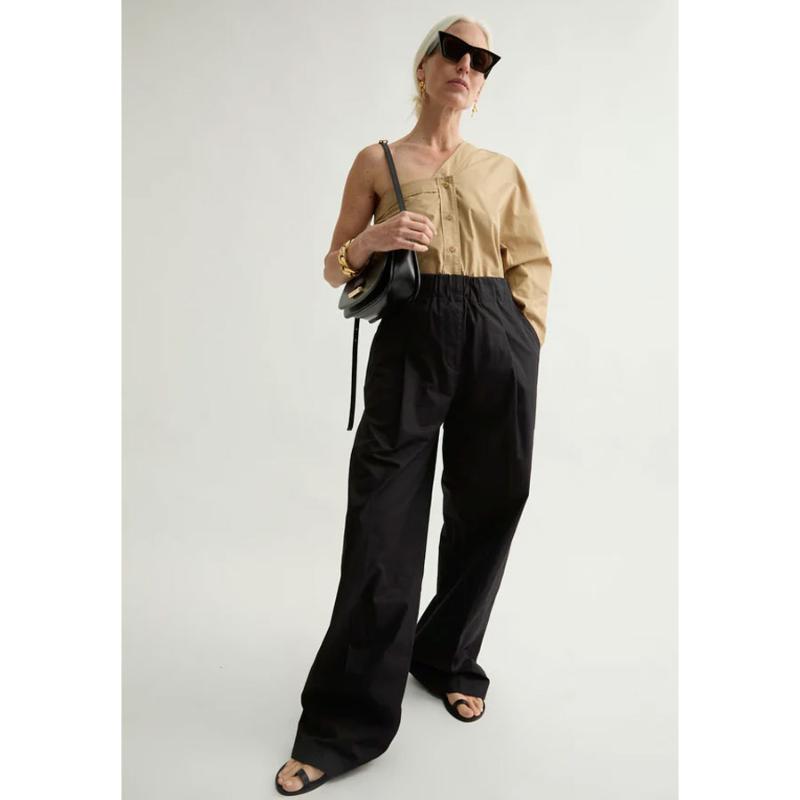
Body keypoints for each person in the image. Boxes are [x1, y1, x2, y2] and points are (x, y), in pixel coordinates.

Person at [276, 14, 552, 796]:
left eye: (483, 59)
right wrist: (373, 240)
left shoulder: (502, 170)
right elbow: (334, 266)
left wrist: (524, 336)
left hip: (496, 336)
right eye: (454, 51)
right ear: (424, 67)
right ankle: (342, 724)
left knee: (493, 502)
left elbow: (531, 261)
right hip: (412, 339)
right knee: (383, 521)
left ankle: (447, 657)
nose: (468, 65)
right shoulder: (379, 160)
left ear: (483, 81)